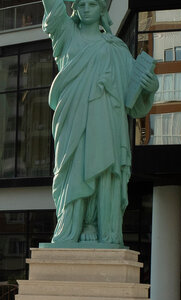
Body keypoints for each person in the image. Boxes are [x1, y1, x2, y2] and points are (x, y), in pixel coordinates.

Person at [41, 0, 158, 247]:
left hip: (105, 117)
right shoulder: (67, 34)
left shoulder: (116, 48)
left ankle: (101, 228)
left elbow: (133, 100)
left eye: (92, 4)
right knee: (73, 169)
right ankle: (71, 227)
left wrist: (150, 88)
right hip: (72, 117)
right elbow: (53, 7)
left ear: (103, 10)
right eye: (80, 4)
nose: (85, 9)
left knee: (103, 170)